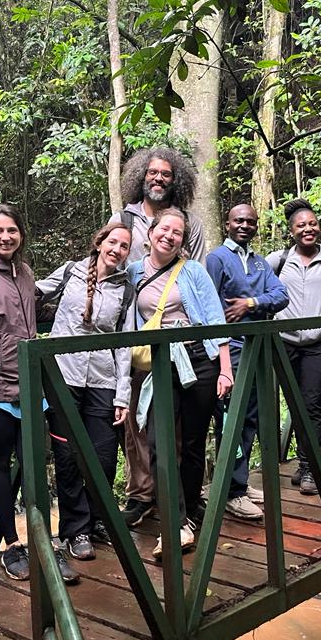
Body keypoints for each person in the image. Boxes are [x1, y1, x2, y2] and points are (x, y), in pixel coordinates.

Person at [0, 204, 78, 584]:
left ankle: (43, 542)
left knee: (35, 464)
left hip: (28, 385)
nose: (5, 237)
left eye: (12, 230)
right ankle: (11, 544)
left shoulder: (24, 273)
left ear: (20, 234)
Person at [126, 207, 232, 560]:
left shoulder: (193, 271)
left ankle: (186, 515)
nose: (169, 236)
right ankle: (176, 523)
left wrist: (225, 369)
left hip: (198, 361)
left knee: (192, 442)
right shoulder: (134, 273)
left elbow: (216, 321)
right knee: (158, 444)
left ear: (182, 240)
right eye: (164, 229)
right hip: (159, 365)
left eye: (177, 233)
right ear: (151, 232)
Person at [109, 147, 206, 528]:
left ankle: (176, 495)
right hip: (134, 334)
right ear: (141, 176)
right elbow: (111, 262)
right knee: (135, 420)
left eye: (166, 174)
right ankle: (141, 494)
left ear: (176, 179)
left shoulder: (189, 223)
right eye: (153, 172)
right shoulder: (124, 218)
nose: (159, 178)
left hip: (178, 338)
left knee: (175, 422)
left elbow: (193, 275)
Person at [35, 223, 135, 559]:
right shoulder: (70, 272)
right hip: (64, 375)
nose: (117, 249)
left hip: (103, 381)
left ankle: (97, 519)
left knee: (104, 457)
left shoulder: (126, 288)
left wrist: (123, 394)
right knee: (67, 457)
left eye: (124, 246)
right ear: (100, 242)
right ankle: (76, 530)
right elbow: (31, 292)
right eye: (113, 242)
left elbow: (125, 344)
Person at [205, 203, 289, 519]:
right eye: (239, 220)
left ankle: (238, 482)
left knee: (250, 417)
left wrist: (250, 303)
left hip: (257, 349)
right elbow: (211, 305)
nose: (245, 225)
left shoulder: (258, 263)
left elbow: (281, 296)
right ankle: (230, 491)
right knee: (230, 418)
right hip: (232, 350)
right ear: (228, 223)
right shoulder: (217, 259)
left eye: (250, 222)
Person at [267, 199, 321, 496]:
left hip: (319, 344)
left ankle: (309, 467)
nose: (308, 229)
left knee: (312, 402)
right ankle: (305, 459)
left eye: (312, 224)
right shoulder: (276, 261)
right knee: (292, 403)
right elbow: (263, 294)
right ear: (291, 230)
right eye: (301, 225)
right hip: (284, 343)